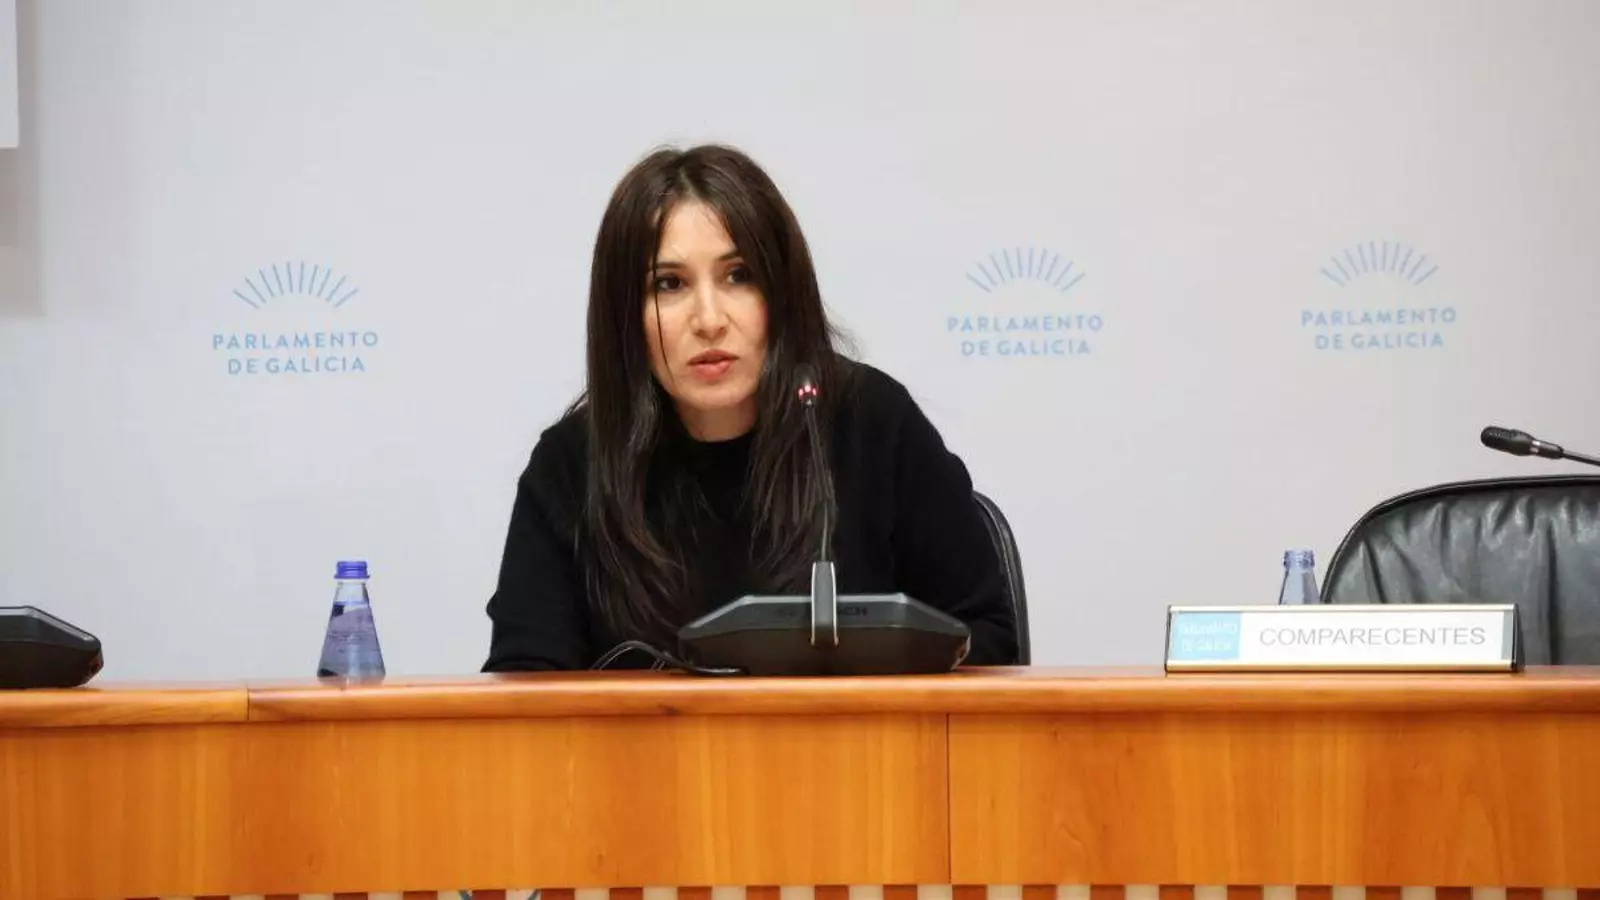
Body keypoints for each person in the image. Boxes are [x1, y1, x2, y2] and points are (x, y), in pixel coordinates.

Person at [483, 144, 1017, 671]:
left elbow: (985, 638)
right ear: (625, 315)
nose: (709, 320)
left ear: (781, 291)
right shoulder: (574, 465)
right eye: (669, 285)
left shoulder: (873, 424)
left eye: (738, 275)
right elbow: (525, 682)